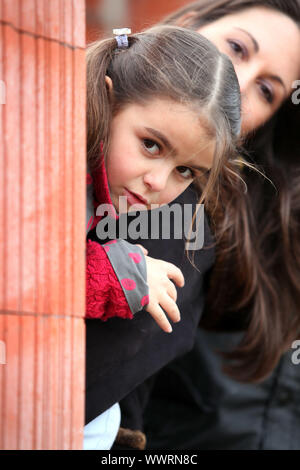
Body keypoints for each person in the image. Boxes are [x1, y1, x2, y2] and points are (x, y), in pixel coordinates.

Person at [133, 0, 300, 449]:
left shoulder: (247, 222)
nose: (238, 85)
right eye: (237, 48)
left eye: (268, 91)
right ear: (189, 24)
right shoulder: (65, 129)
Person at [83, 24, 243, 449]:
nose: (158, 182)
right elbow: (23, 271)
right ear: (107, 97)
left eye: (185, 171)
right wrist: (125, 273)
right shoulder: (51, 164)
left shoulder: (111, 196)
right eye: (151, 145)